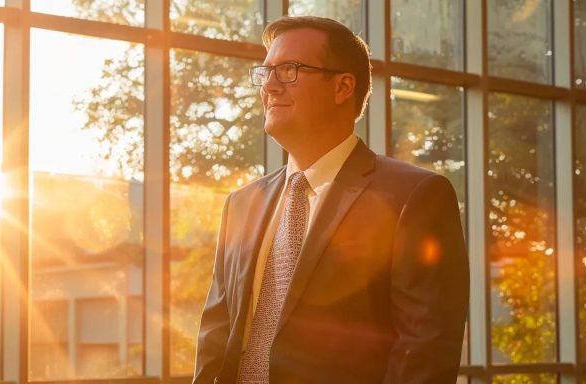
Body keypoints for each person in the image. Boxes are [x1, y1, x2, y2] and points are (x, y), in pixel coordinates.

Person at [192, 16, 469, 384]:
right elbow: (215, 336)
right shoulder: (241, 204)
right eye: (267, 71)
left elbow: (425, 352)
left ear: (342, 87)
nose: (270, 86)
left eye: (289, 70)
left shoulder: (414, 198)